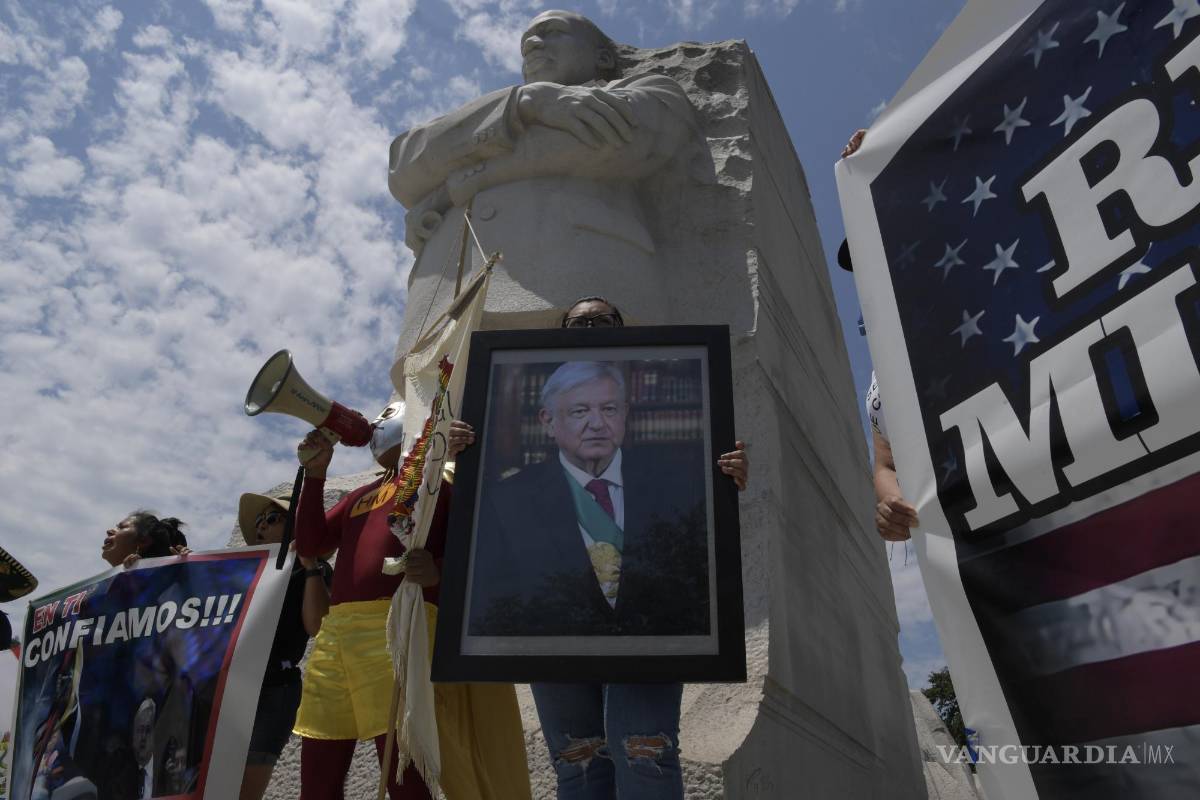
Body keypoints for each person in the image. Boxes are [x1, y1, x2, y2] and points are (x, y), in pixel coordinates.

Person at [448, 295, 748, 800]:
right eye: (580, 411)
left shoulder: (678, 482)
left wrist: (725, 482)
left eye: (608, 408)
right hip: (550, 646)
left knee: (647, 757)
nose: (596, 423)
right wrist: (458, 460)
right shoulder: (505, 497)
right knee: (579, 768)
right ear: (548, 420)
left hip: (652, 643)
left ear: (626, 414)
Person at [388, 10, 699, 356]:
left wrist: (457, 184)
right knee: (443, 411)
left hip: (581, 297)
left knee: (588, 404)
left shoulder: (651, 91)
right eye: (525, 44)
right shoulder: (497, 109)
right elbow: (404, 167)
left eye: (552, 32)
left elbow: (616, 141)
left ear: (604, 57)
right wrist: (525, 103)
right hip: (445, 311)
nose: (533, 45)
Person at [292, 401, 530, 800]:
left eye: (390, 412)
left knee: (402, 772)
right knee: (317, 770)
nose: (378, 421)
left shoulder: (443, 477)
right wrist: (315, 473)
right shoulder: (360, 495)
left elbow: (488, 552)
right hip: (335, 636)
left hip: (400, 624)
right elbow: (311, 545)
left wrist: (437, 570)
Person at [838, 129, 920, 543]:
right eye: (864, 257)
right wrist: (891, 507)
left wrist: (886, 153)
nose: (874, 263)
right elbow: (885, 465)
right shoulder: (878, 374)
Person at [235, 492, 332, 800]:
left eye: (272, 518)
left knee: (245, 788)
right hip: (232, 684)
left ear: (295, 524)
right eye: (258, 523)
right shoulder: (246, 574)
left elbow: (315, 624)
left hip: (275, 687)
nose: (262, 528)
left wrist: (311, 566)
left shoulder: (311, 569)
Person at [101, 512, 188, 568]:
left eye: (121, 527)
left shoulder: (165, 586)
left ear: (143, 541)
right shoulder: (96, 592)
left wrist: (191, 568)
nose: (109, 531)